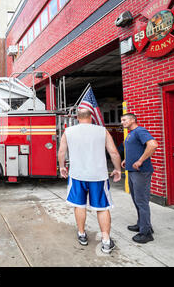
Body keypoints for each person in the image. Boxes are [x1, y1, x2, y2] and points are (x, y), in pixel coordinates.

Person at [58, 109, 122, 254]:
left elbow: (62, 151)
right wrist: (117, 169)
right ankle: (106, 241)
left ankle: (82, 235)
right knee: (102, 207)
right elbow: (114, 152)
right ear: (91, 117)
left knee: (79, 205)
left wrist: (62, 167)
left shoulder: (69, 131)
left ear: (77, 118)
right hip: (98, 176)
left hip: (77, 175)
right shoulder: (102, 131)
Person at [121, 113, 158, 244]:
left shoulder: (140, 130)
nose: (122, 122)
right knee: (137, 200)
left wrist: (140, 161)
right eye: (121, 120)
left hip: (141, 172)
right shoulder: (131, 133)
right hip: (132, 171)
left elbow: (153, 144)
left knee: (142, 202)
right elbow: (136, 149)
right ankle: (142, 224)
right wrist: (128, 159)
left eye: (124, 120)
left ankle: (146, 233)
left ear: (133, 120)